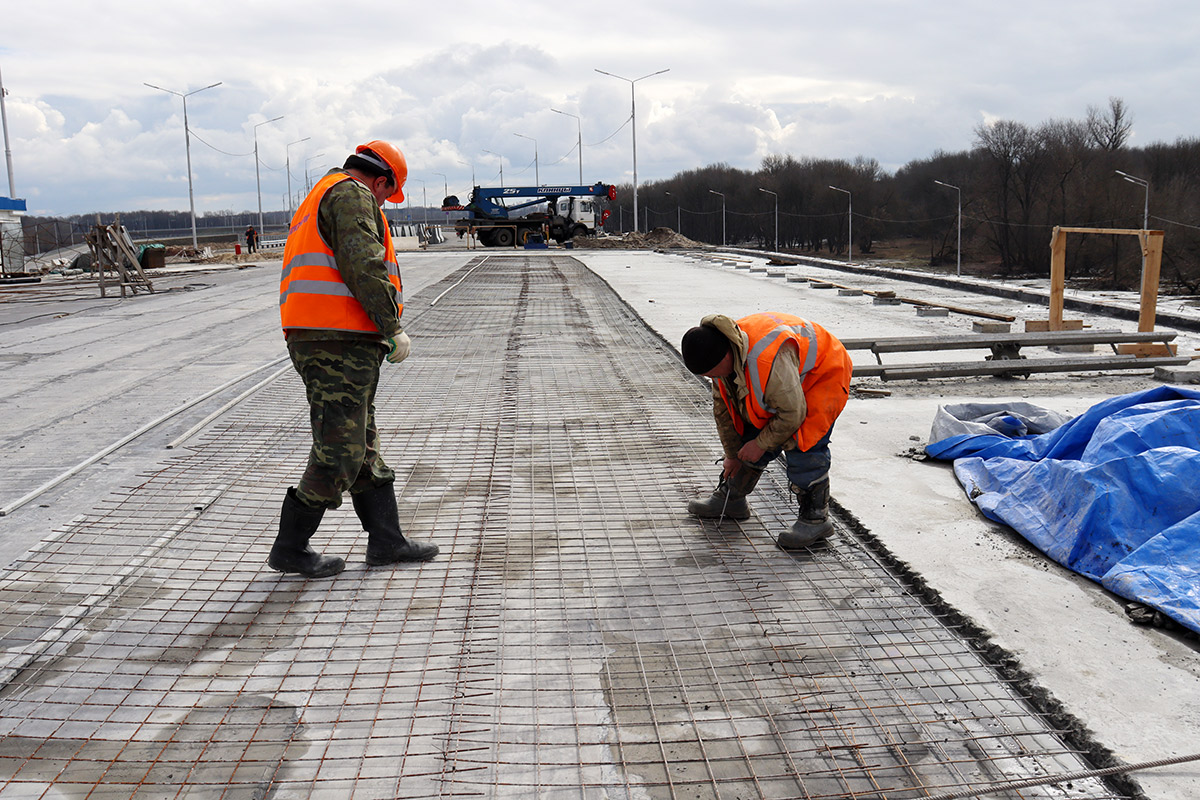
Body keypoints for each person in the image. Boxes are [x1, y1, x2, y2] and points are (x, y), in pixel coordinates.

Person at [271, 140, 438, 578]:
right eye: (387, 195)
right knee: (339, 447)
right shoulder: (351, 194)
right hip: (335, 339)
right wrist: (391, 325)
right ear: (380, 181)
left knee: (359, 440)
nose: (383, 203)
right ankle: (290, 547)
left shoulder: (322, 191)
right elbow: (364, 264)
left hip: (328, 336)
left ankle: (387, 541)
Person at [681, 312, 853, 548]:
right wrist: (733, 455)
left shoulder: (766, 360)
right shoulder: (720, 354)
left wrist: (761, 444)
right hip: (783, 381)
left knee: (803, 439)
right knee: (750, 420)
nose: (711, 378)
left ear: (727, 355)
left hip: (821, 373)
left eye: (712, 372)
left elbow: (793, 414)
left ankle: (816, 519)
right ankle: (733, 499)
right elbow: (724, 411)